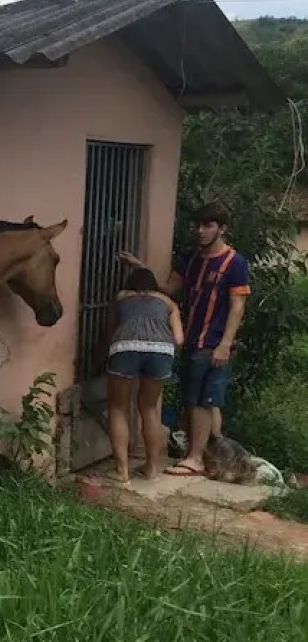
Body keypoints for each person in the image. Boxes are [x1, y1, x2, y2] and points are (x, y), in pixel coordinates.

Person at [119, 200, 250, 477]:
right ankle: (208, 456)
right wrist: (139, 267)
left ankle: (196, 459)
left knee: (202, 401)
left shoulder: (234, 263)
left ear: (222, 229)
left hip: (213, 342)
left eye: (208, 225)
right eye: (198, 225)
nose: (200, 231)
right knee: (197, 399)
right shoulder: (191, 260)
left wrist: (225, 344)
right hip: (191, 339)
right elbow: (168, 289)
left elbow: (237, 306)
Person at [102, 267, 183, 482]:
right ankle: (152, 468)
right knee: (149, 407)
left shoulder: (121, 297)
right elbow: (179, 339)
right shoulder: (169, 303)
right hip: (161, 350)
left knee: (117, 407)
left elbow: (111, 331)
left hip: (125, 346)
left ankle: (122, 471)